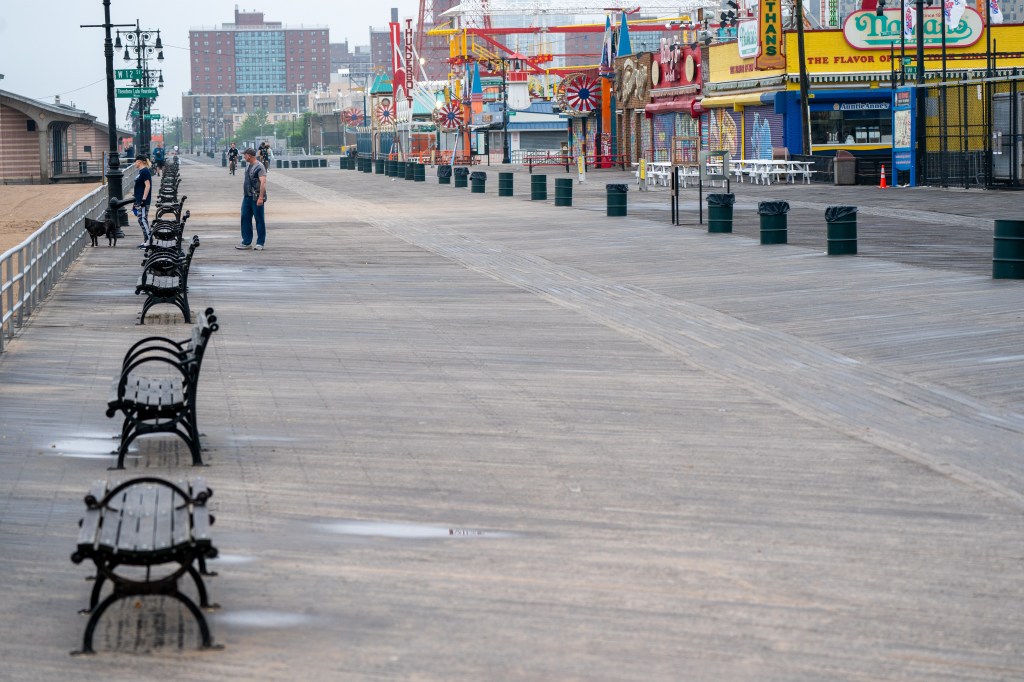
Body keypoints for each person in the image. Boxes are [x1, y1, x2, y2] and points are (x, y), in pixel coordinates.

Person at [237, 147, 267, 251]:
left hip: (256, 197)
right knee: (245, 218)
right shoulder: (248, 166)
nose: (243, 156)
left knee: (259, 219)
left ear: (249, 155)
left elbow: (263, 183)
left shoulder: (260, 166)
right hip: (247, 197)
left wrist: (261, 198)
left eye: (244, 154)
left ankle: (260, 243)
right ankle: (246, 242)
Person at [132, 154, 153, 248]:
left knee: (143, 219)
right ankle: (147, 240)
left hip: (143, 200)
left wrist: (143, 199)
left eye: (135, 161)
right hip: (139, 199)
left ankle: (149, 241)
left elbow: (147, 185)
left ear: (139, 161)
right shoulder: (141, 171)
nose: (134, 163)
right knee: (141, 219)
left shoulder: (144, 171)